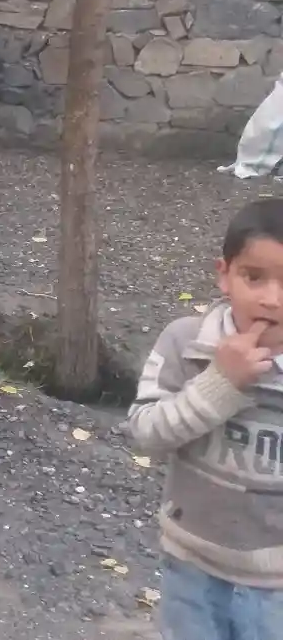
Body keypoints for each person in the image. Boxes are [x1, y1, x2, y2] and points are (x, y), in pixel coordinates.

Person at [126, 197, 283, 639]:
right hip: (190, 566)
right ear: (224, 274)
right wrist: (221, 383)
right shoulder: (186, 344)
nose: (271, 299)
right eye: (254, 277)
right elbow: (146, 434)